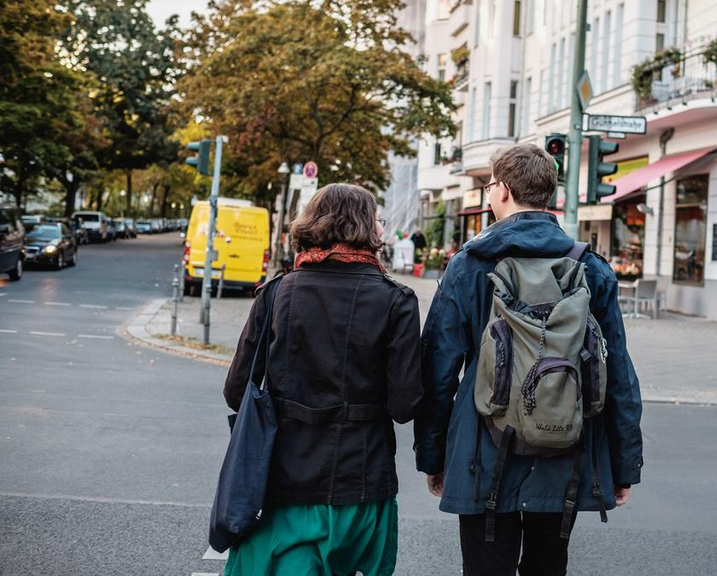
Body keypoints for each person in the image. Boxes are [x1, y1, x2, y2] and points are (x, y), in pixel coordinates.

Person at [414, 144, 643, 575]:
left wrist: (433, 455)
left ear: (500, 191)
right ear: (551, 195)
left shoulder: (469, 265)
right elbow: (618, 373)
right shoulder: (590, 266)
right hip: (568, 445)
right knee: (548, 566)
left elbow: (439, 368)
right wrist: (624, 462)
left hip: (483, 447)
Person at [222, 183, 423, 576]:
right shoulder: (396, 300)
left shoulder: (276, 293)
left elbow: (235, 392)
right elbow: (405, 406)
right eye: (378, 220)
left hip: (286, 483)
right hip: (363, 483)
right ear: (366, 228)